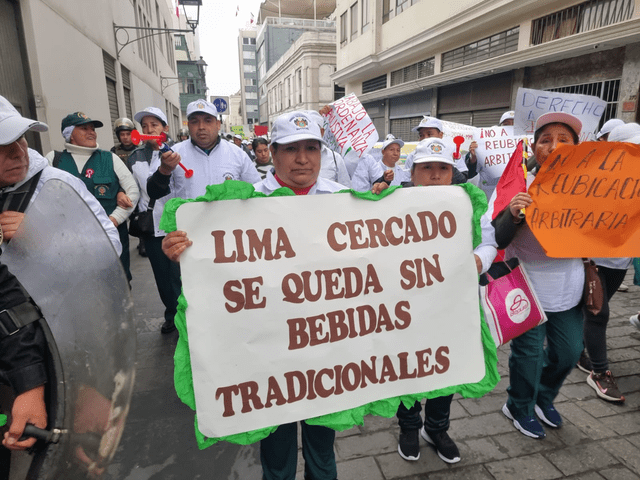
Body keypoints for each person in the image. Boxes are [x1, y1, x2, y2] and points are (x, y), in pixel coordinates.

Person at [161, 111, 343, 480]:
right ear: (272, 154)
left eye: (312, 148)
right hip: (269, 349)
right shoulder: (238, 205)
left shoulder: (345, 201)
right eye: (291, 149)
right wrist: (181, 249)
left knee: (323, 438)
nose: (303, 158)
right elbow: (208, 256)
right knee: (275, 441)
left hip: (327, 345)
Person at [389, 138, 494, 464]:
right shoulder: (391, 203)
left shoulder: (469, 202)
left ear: (453, 172)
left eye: (443, 168)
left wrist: (479, 260)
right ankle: (409, 426)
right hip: (406, 306)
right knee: (407, 366)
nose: (435, 175)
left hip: (451, 304)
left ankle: (436, 427)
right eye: (427, 168)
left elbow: (488, 242)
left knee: (445, 366)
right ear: (413, 171)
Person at [485, 112, 585, 439]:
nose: (554, 146)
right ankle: (519, 405)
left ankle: (544, 397)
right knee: (528, 356)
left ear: (577, 148)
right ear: (534, 146)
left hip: (568, 289)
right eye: (545, 140)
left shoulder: (591, 188)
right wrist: (513, 215)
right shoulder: (521, 185)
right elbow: (498, 239)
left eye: (563, 140)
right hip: (524, 285)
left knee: (568, 352)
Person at [577, 122, 640, 402]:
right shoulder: (593, 175)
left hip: (619, 261)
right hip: (591, 257)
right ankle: (600, 373)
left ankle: (577, 351)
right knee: (598, 312)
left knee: (596, 307)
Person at [45, 112, 138, 283]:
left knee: (117, 286)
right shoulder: (54, 160)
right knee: (78, 287)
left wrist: (114, 220)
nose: (92, 132)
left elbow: (133, 191)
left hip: (110, 240)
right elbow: (40, 196)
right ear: (70, 134)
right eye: (84, 128)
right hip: (69, 243)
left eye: (93, 129)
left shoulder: (109, 158)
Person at [146, 98, 261, 221]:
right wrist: (164, 171)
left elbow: (257, 192)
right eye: (195, 122)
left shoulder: (238, 154)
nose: (201, 127)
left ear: (217, 125)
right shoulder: (173, 154)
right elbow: (154, 193)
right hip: (189, 232)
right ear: (188, 125)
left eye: (207, 121)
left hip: (230, 230)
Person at [128, 107, 182, 334]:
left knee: (182, 275)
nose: (149, 130)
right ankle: (171, 314)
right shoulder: (135, 157)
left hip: (179, 223)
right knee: (162, 277)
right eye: (145, 126)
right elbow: (132, 189)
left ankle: (188, 316)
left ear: (165, 128)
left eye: (154, 125)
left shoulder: (178, 152)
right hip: (152, 227)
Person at [465, 110, 516, 199]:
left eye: (514, 124)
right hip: (489, 196)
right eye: (506, 124)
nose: (510, 128)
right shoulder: (485, 144)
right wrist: (473, 157)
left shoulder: (529, 147)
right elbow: (470, 174)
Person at [403, 116, 468, 184]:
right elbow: (405, 181)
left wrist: (449, 164)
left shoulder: (452, 152)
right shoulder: (413, 155)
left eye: (429, 134)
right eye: (421, 135)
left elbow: (463, 179)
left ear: (440, 135)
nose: (425, 138)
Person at [306, 111, 351, 188]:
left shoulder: (335, 159)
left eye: (314, 129)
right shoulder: (292, 158)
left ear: (322, 132)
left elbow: (346, 189)